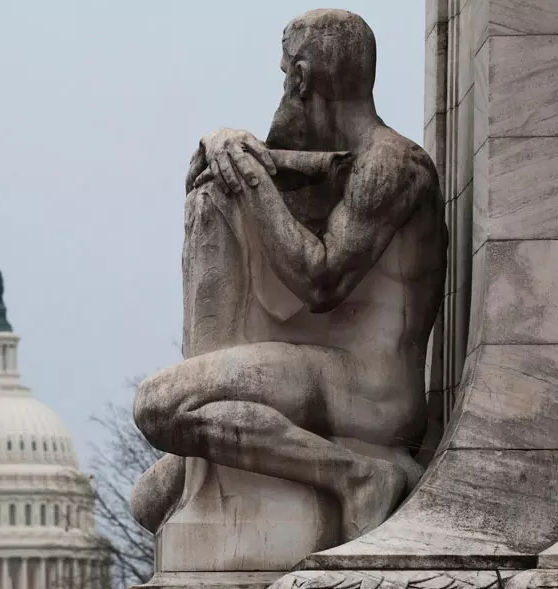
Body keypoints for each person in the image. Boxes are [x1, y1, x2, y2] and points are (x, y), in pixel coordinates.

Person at [131, 8, 447, 541]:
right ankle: (343, 472)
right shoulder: (351, 161)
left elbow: (319, 280)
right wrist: (224, 141)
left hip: (373, 389)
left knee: (158, 405)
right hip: (330, 373)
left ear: (300, 77)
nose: (283, 85)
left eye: (285, 73)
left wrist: (250, 174)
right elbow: (285, 159)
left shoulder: (393, 163)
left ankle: (361, 477)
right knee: (151, 499)